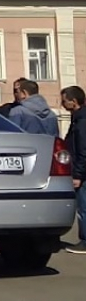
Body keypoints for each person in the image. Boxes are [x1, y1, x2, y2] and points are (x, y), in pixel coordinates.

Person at [61, 85, 86, 254]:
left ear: (74, 101)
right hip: (81, 171)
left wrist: (77, 174)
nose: (62, 104)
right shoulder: (78, 119)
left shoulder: (81, 122)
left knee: (83, 208)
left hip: (82, 173)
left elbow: (83, 150)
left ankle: (84, 241)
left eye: (64, 100)